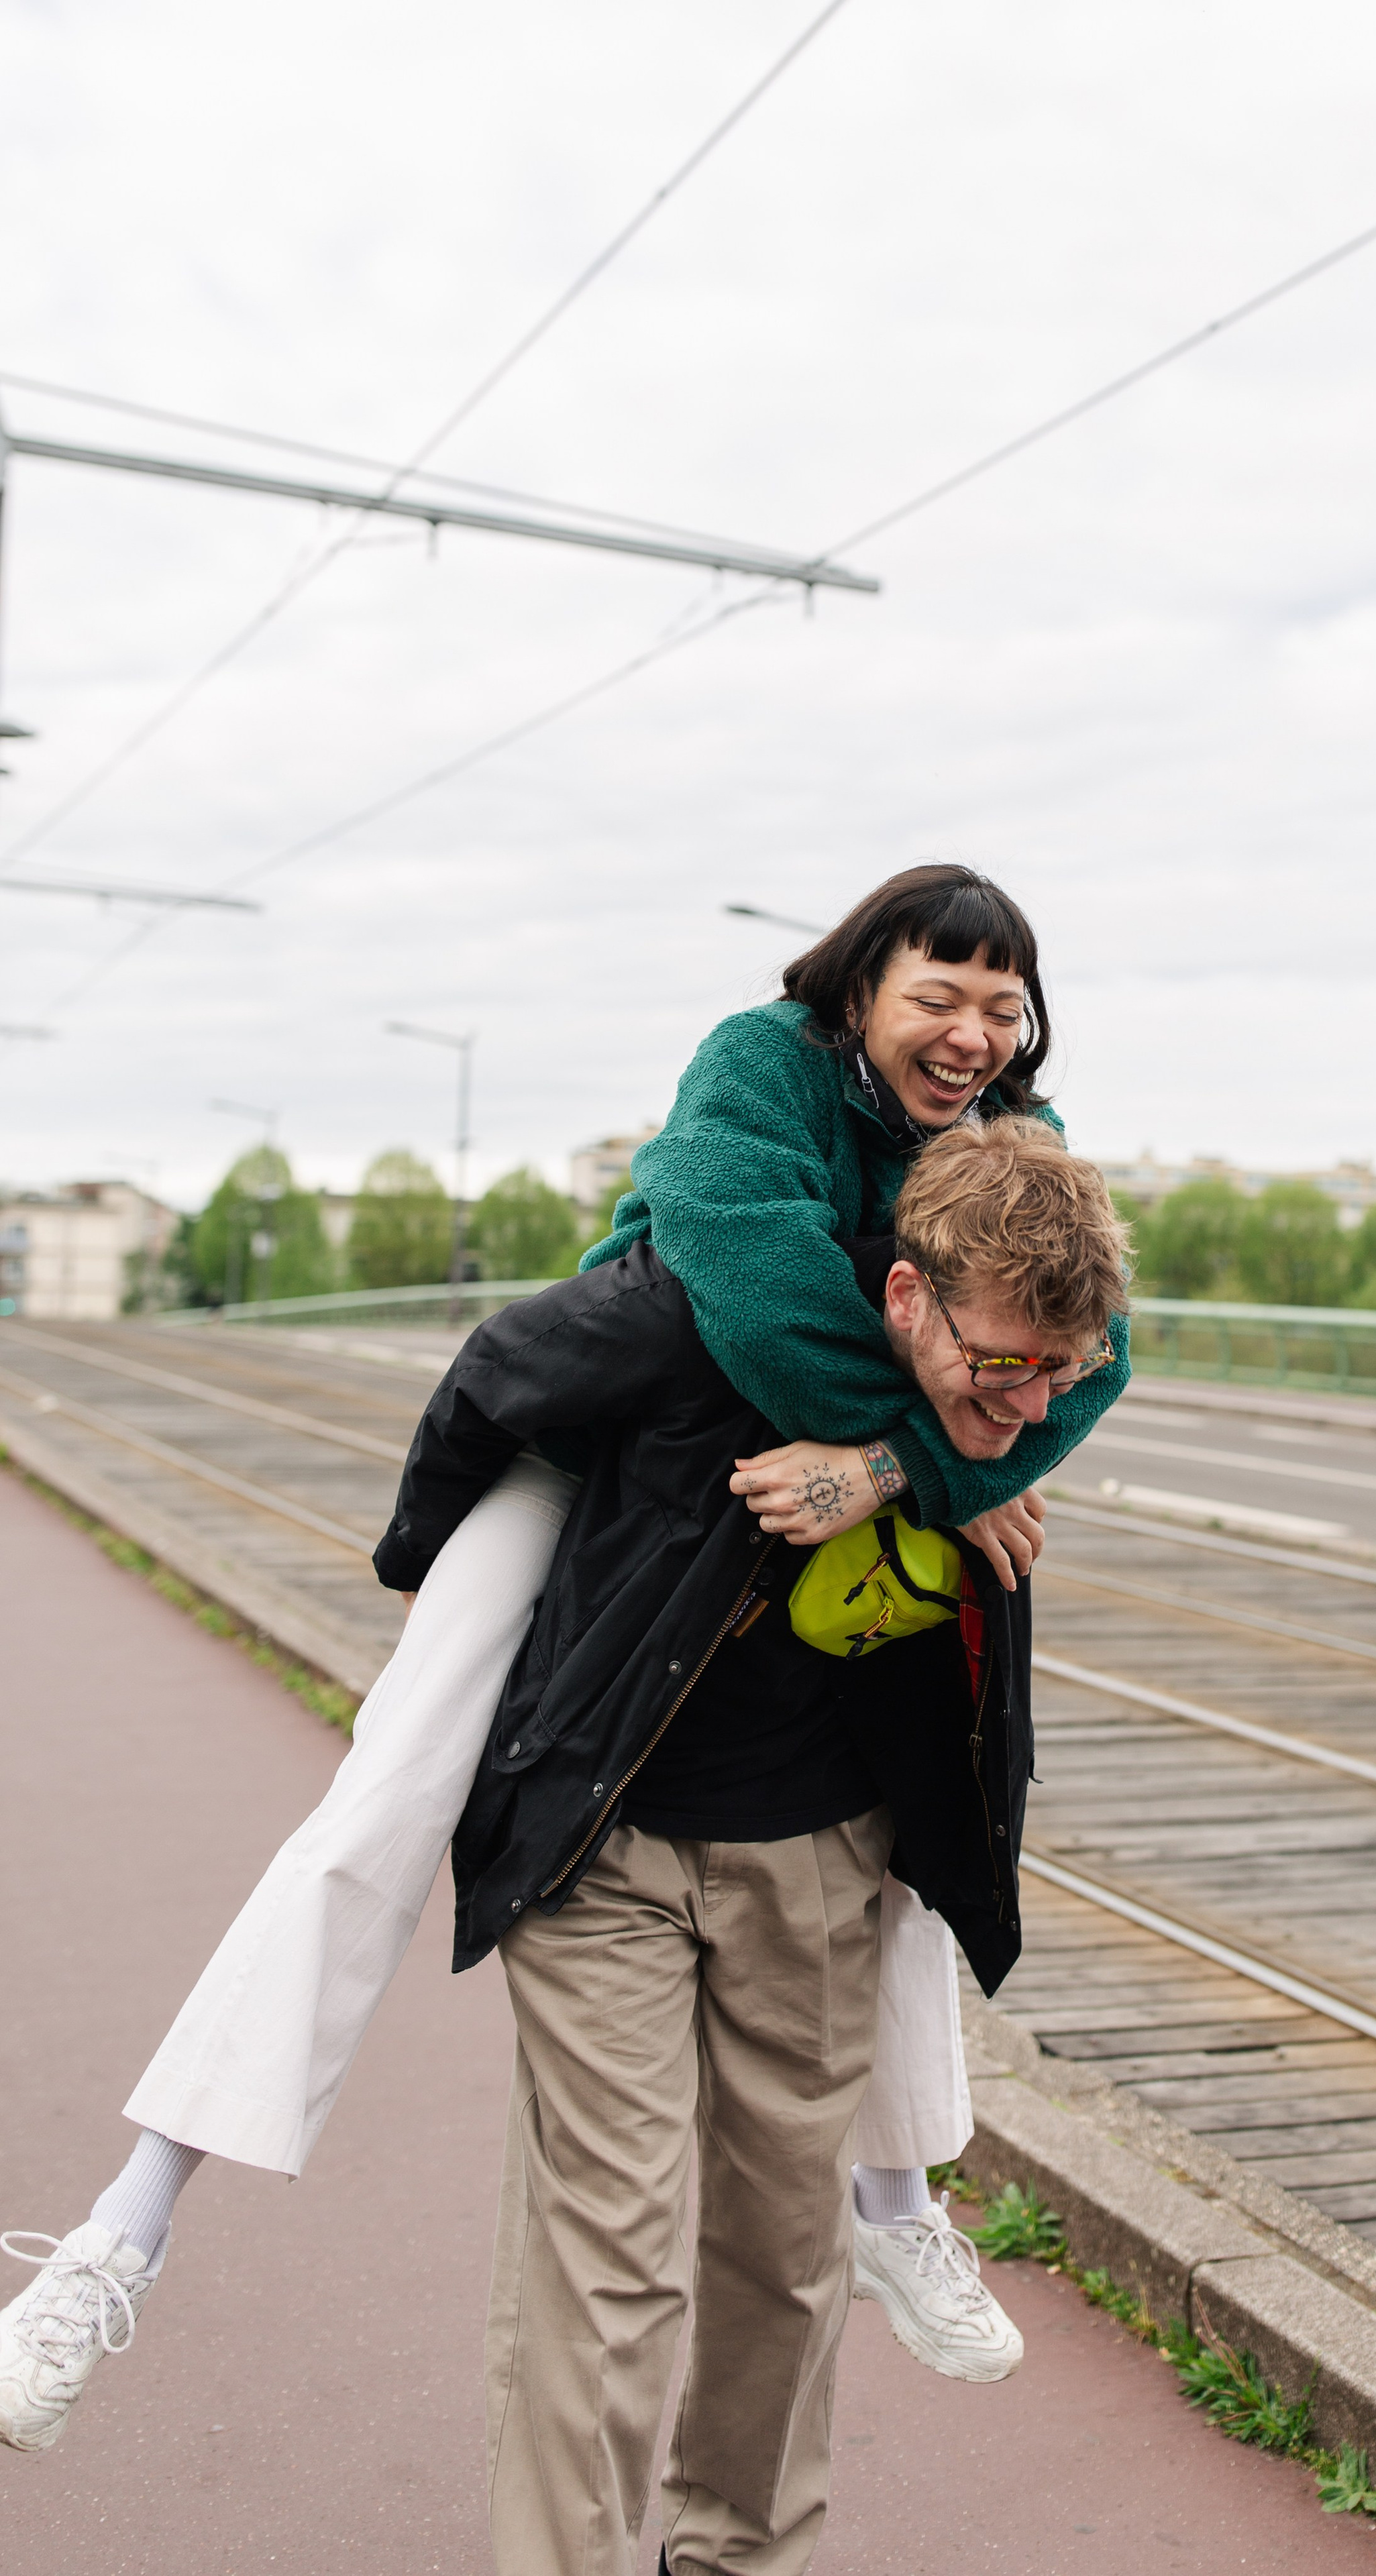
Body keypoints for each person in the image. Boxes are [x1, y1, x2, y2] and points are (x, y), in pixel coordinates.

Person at [0, 865, 1131, 2453]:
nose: (970, 1033)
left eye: (1001, 1007)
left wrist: (915, 1471)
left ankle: (894, 2202)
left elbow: (1092, 1355)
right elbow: (752, 1306)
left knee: (908, 1816)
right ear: (858, 992)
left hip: (836, 1488)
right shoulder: (759, 1068)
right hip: (608, 1447)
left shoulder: (1017, 1142)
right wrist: (949, 1458)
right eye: (936, 996)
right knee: (388, 1795)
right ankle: (123, 2231)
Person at [396, 1116, 1132, 2575]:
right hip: (606, 1851)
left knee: (784, 2258)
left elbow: (985, 1451)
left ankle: (739, 2557)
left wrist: (936, 1450)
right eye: (1002, 1367)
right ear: (907, 1300)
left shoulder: (984, 1420)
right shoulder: (688, 1318)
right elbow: (490, 1377)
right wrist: (459, 1612)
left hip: (812, 1860)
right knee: (608, 2255)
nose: (1031, 1404)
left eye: (1065, 1373)